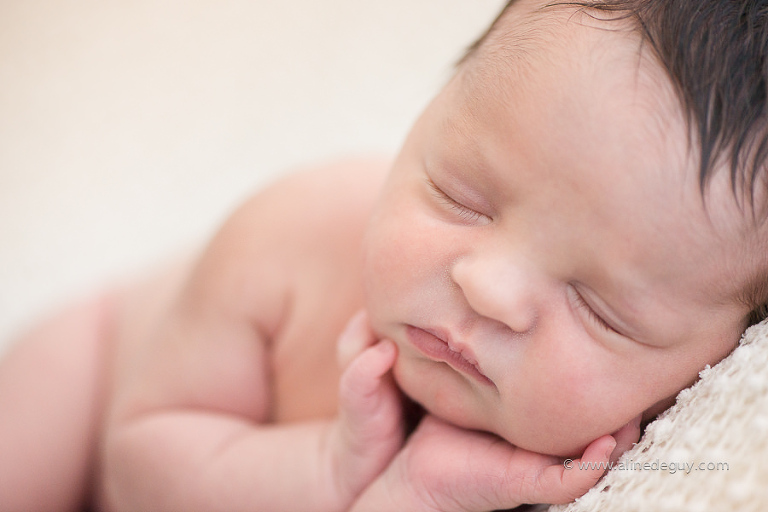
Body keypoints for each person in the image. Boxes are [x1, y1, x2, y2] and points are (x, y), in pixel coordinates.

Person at [1, 0, 767, 510]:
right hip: (103, 380)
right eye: (462, 196)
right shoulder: (295, 237)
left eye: (601, 308)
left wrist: (417, 490)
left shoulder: (632, 457)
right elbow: (131, 470)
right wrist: (335, 468)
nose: (488, 287)